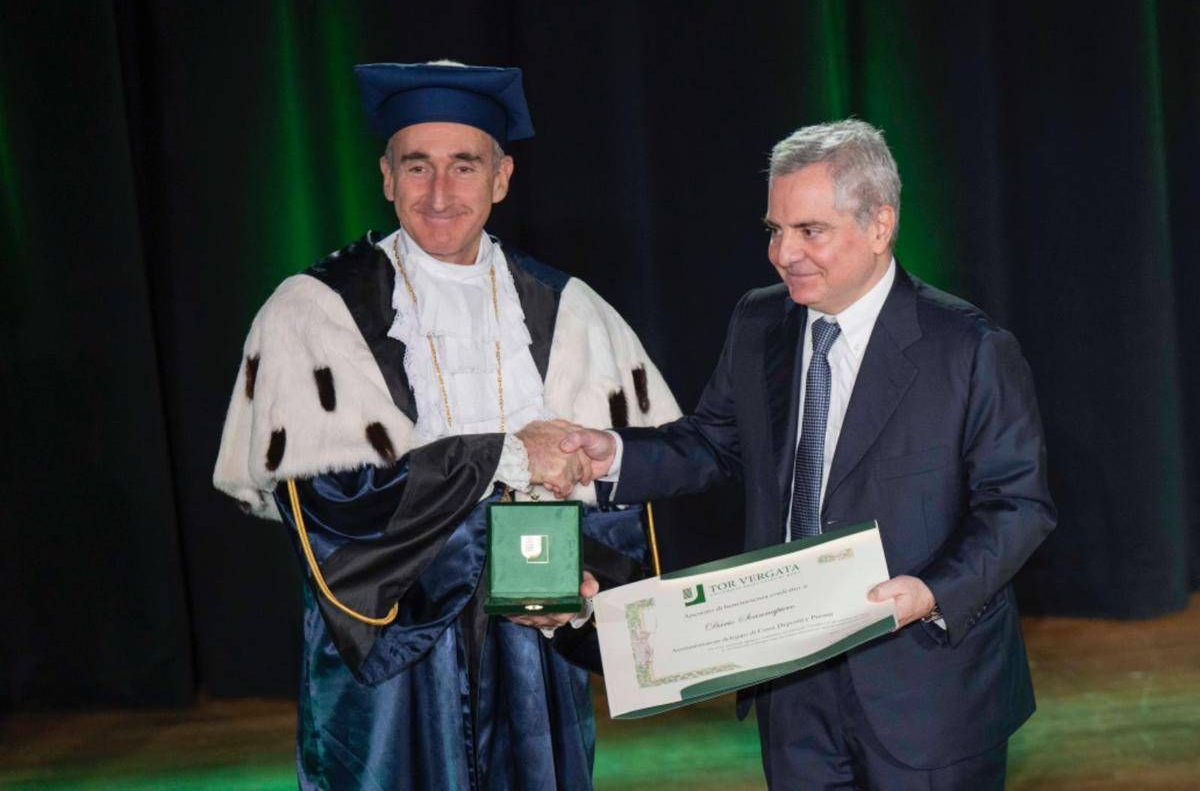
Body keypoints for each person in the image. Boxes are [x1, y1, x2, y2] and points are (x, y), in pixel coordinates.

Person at [212, 61, 679, 790]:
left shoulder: (570, 310)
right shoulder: (313, 312)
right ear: (386, 177)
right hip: (391, 658)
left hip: (532, 645)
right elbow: (333, 507)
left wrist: (585, 587)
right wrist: (506, 456)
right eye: (417, 166)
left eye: (464, 166)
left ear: (502, 177)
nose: (439, 193)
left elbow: (624, 493)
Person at [555, 119, 1056, 788]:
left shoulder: (969, 348)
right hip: (792, 689)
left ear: (879, 226)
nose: (783, 253)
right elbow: (711, 442)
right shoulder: (759, 322)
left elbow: (1018, 505)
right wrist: (612, 455)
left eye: (809, 231)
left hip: (927, 686)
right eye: (774, 229)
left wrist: (930, 592)